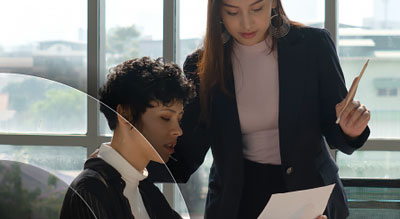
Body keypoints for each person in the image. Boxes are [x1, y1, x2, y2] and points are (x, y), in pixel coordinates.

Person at [148, 0, 371, 218]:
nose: (246, 23)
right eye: (232, 12)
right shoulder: (202, 65)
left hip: (309, 193)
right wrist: (129, 155)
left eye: (256, 8)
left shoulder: (314, 46)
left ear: (274, 3)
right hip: (238, 200)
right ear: (218, 13)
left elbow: (336, 133)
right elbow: (187, 155)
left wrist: (350, 130)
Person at [60, 57, 195, 219]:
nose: (178, 131)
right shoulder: (89, 192)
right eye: (165, 118)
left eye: (179, 120)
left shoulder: (146, 191)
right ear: (125, 114)